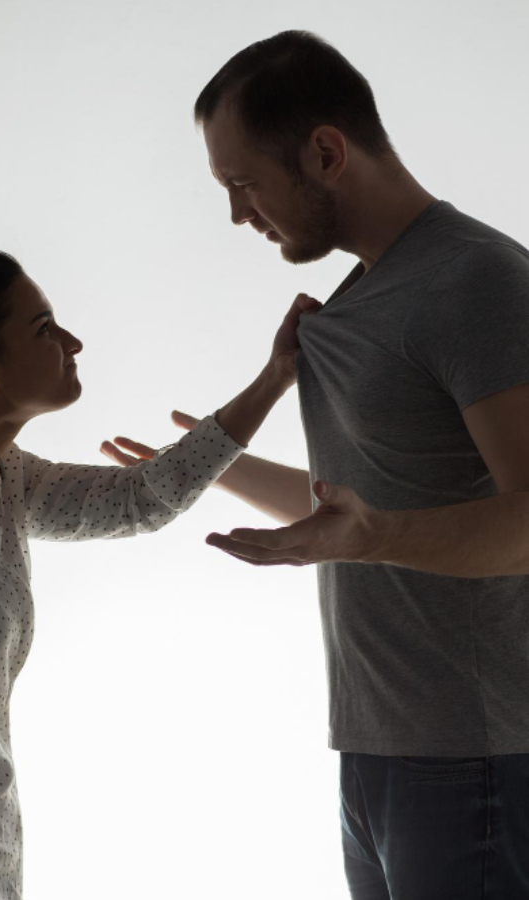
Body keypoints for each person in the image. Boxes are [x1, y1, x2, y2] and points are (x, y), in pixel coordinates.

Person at [105, 28, 529, 900]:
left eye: (242, 184)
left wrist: (367, 540)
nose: (236, 214)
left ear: (326, 153)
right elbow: (373, 500)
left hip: (477, 758)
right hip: (376, 754)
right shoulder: (365, 294)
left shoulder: (476, 280)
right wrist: (211, 467)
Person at [0, 245, 320, 899]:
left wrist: (274, 377)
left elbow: (139, 499)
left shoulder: (3, 481)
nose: (73, 341)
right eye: (43, 329)